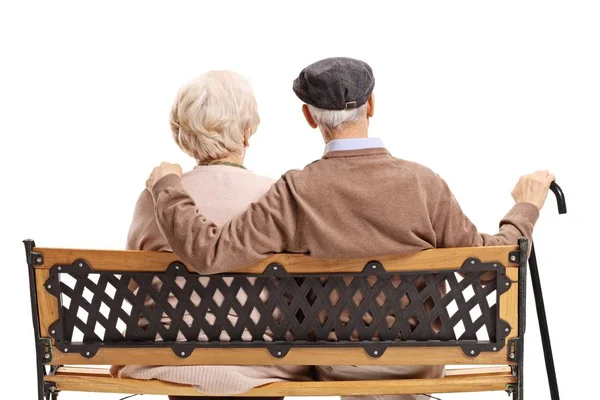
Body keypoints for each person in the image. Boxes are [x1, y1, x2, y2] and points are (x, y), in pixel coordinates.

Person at [145, 57, 555, 400]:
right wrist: (526, 205)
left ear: (308, 116)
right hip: (418, 363)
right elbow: (496, 262)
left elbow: (210, 254)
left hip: (337, 364)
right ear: (372, 104)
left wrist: (168, 187)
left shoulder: (295, 190)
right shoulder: (423, 183)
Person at [112, 70, 311, 400]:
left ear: (183, 135)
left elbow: (136, 282)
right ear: (247, 133)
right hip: (264, 361)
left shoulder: (156, 198)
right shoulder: (277, 197)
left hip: (172, 358)